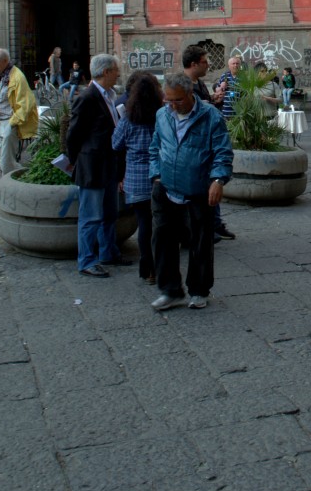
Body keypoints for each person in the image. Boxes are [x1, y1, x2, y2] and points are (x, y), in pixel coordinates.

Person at [148, 71, 233, 311]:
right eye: (169, 100)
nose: (173, 106)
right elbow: (155, 147)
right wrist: (155, 175)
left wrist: (218, 180)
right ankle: (170, 290)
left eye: (178, 100)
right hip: (165, 188)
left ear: (190, 94)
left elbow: (222, 152)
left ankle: (199, 289)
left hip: (198, 189)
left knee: (200, 242)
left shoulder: (210, 116)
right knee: (162, 241)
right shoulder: (162, 115)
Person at [66, 53, 132, 278]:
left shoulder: (111, 95)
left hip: (109, 163)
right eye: (115, 70)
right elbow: (73, 134)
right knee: (91, 216)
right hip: (92, 165)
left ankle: (108, 252)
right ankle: (86, 260)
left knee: (109, 213)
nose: (118, 73)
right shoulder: (87, 97)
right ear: (106, 72)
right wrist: (74, 160)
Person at [111, 72, 162, 283]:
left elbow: (115, 145)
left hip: (135, 178)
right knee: (158, 224)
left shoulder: (128, 120)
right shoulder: (162, 117)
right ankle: (159, 267)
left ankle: (146, 268)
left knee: (143, 224)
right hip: (159, 177)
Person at [182, 45, 235, 241]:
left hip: (208, 141)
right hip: (196, 145)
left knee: (213, 183)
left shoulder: (200, 83)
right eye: (205, 61)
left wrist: (214, 100)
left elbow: (204, 105)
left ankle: (215, 223)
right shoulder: (184, 85)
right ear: (194, 64)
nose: (209, 65)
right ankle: (205, 227)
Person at [0, 49, 38, 176]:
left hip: (10, 121)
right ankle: (23, 174)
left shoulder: (18, 77)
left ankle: (10, 184)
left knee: (5, 162)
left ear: (5, 61)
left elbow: (26, 103)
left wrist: (13, 122)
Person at [214, 56, 242, 120]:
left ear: (240, 65)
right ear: (229, 66)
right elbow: (217, 91)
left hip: (240, 111)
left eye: (237, 63)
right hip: (226, 111)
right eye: (233, 63)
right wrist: (221, 86)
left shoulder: (244, 76)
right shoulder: (225, 76)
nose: (235, 65)